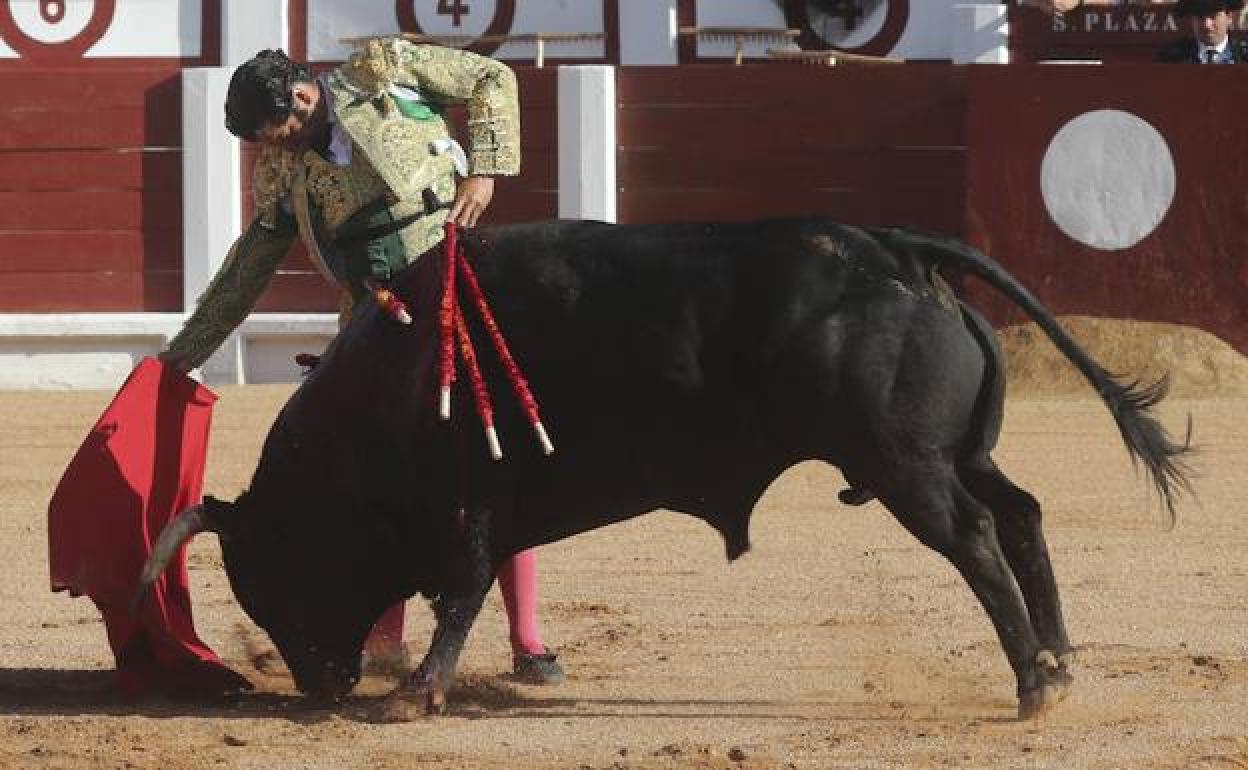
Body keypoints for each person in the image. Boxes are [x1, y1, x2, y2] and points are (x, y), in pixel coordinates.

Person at [158, 41, 564, 685]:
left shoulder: (385, 71)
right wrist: (180, 358)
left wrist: (486, 170)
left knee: (494, 460)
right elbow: (247, 268)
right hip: (374, 325)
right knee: (382, 482)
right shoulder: (283, 169)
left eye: (281, 131)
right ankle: (386, 646)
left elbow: (491, 76)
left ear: (301, 95)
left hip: (462, 290)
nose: (282, 148)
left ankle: (528, 640)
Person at [1157, 0, 1248, 62]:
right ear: (1192, 21)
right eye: (1200, 17)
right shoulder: (1171, 57)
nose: (1206, 25)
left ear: (1229, 18)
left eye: (1213, 16)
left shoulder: (1244, 56)